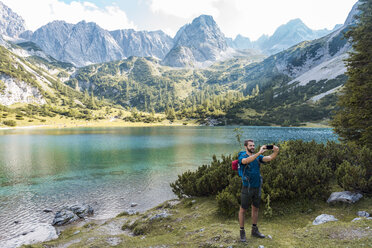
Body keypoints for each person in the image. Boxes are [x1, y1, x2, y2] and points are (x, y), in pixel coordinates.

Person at [238, 139, 279, 242]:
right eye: (250, 145)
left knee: (255, 208)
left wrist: (276, 152)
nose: (253, 147)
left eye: (253, 145)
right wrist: (259, 152)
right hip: (247, 187)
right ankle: (242, 232)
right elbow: (245, 161)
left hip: (257, 187)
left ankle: (254, 230)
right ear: (245, 146)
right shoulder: (242, 155)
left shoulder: (258, 157)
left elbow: (269, 158)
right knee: (243, 210)